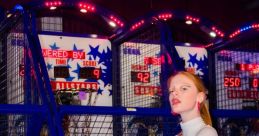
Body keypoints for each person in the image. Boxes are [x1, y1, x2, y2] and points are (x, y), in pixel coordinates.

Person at [167, 71, 218, 136]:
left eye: (184, 88)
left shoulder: (208, 133)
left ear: (200, 97)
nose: (174, 93)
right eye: (171, 90)